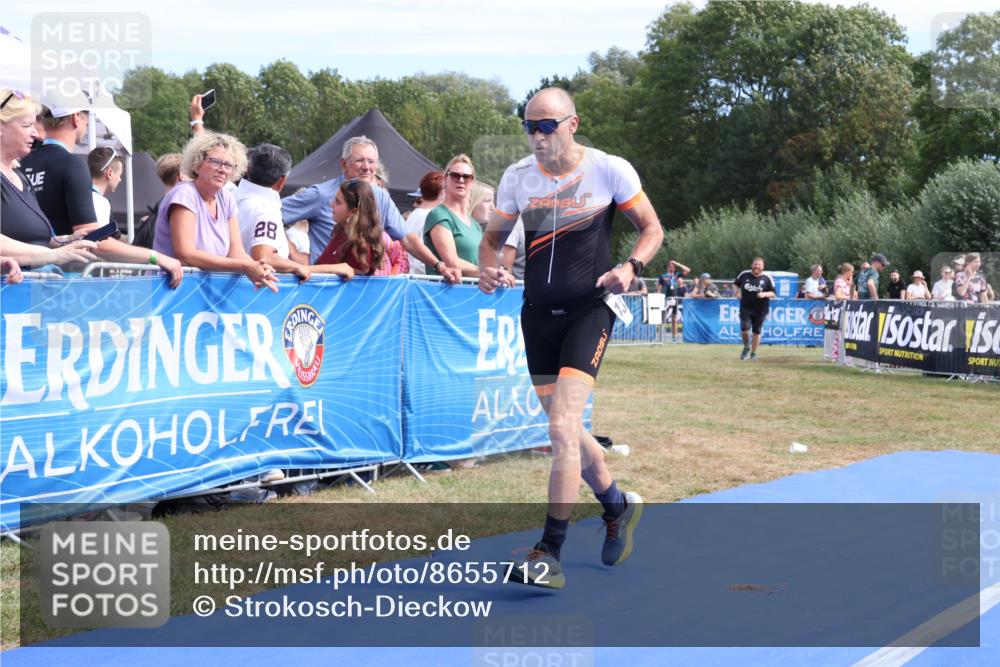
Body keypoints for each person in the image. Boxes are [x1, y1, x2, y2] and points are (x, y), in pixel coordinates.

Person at [477, 87, 663, 589]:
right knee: (567, 431)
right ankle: (617, 506)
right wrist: (487, 267)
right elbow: (492, 240)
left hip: (589, 311)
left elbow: (651, 228)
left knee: (561, 427)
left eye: (547, 125)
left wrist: (631, 266)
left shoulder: (608, 169)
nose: (537, 136)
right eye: (529, 126)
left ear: (572, 124)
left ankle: (549, 552)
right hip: (537, 315)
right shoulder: (518, 177)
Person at [1, 89, 177, 283]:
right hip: (37, 285)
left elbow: (32, 235)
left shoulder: (21, 171)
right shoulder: (72, 165)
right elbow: (98, 243)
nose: (35, 133)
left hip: (35, 284)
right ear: (77, 118)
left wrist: (62, 240)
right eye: (27, 125)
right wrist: (154, 256)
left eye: (34, 124)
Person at [280, 136, 460, 281]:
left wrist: (439, 266)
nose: (366, 167)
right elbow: (273, 213)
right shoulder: (322, 194)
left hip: (365, 292)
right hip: (324, 287)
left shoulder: (380, 196)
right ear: (344, 164)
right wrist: (294, 254)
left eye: (371, 161)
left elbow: (407, 238)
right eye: (359, 160)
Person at [153, 131, 276, 291]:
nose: (222, 170)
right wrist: (245, 266)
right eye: (215, 162)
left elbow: (236, 252)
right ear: (196, 164)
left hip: (206, 290)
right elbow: (186, 254)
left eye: (228, 165)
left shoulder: (226, 197)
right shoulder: (184, 194)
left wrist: (258, 268)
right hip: (173, 290)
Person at [236, 143, 354, 282]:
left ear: (248, 170)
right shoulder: (265, 209)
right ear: (282, 181)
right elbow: (264, 258)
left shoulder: (231, 197)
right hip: (257, 289)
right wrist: (327, 269)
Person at [315, 179, 391, 276]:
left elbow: (356, 274)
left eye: (338, 202)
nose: (331, 204)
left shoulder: (361, 246)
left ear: (353, 211)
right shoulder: (343, 233)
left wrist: (332, 268)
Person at [424, 154, 483, 277]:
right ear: (445, 179)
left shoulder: (475, 225)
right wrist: (486, 272)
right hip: (447, 288)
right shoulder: (438, 215)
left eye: (466, 177)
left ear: (472, 183)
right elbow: (452, 263)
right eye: (455, 175)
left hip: (474, 288)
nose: (461, 180)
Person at [734, 256, 777, 361]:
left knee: (756, 331)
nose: (757, 266)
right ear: (752, 265)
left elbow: (773, 294)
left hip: (761, 309)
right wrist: (736, 292)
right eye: (755, 264)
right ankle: (746, 347)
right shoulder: (744, 274)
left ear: (763, 266)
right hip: (746, 307)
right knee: (744, 329)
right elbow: (735, 284)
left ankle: (753, 353)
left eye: (759, 264)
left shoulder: (767, 278)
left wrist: (764, 294)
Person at [403, 171, 445, 274]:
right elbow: (420, 260)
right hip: (426, 277)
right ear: (442, 192)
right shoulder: (430, 216)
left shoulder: (414, 214)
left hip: (416, 275)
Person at [88, 146, 123, 226]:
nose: (120, 179)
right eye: (119, 175)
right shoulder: (102, 203)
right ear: (109, 173)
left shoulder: (75, 195)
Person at [658, 260, 690, 342]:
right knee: (662, 318)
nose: (672, 268)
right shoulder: (663, 276)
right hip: (666, 298)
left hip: (674, 299)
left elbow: (688, 270)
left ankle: (674, 338)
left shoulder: (676, 275)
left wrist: (676, 263)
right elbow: (659, 288)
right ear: (667, 267)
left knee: (674, 319)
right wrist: (658, 297)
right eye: (671, 266)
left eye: (673, 267)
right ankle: (660, 337)